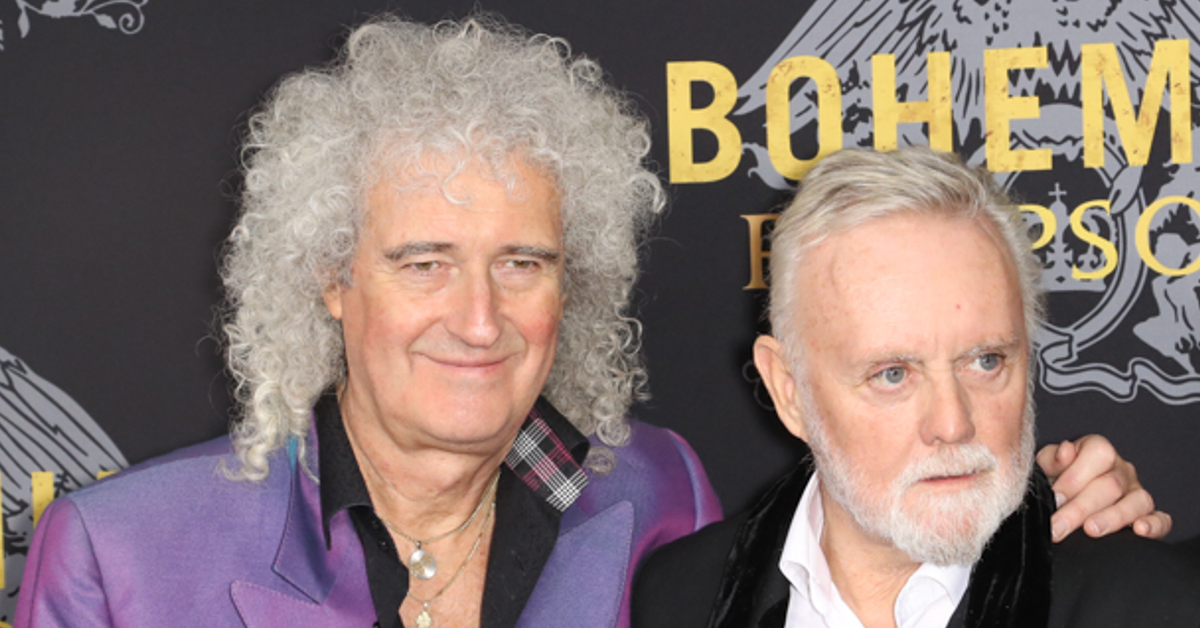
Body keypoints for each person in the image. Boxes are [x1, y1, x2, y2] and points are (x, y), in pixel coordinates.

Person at [13, 18, 1172, 628]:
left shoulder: (656, 500)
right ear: (328, 275)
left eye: (523, 261)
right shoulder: (120, 557)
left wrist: (1037, 504)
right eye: (425, 261)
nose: (479, 318)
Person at [632, 146, 1200, 628]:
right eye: (893, 375)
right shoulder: (680, 598)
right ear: (789, 389)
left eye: (986, 361)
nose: (953, 423)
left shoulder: (1152, 604)